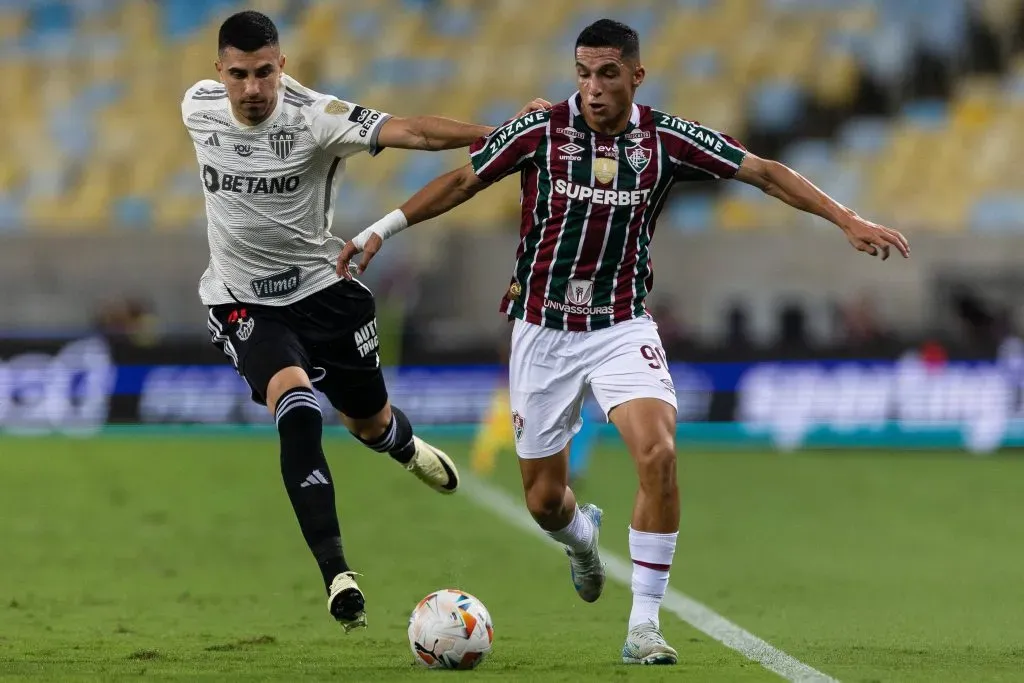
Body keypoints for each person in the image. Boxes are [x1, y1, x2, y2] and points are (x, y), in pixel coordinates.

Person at [339, 18, 909, 663]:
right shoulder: (541, 130)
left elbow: (763, 172)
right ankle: (583, 541)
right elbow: (463, 180)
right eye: (583, 74)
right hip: (541, 330)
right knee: (545, 502)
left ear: (636, 75)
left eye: (608, 74)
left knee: (659, 454)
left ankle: (643, 627)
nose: (593, 88)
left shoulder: (665, 139)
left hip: (620, 326)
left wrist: (846, 218)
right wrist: (382, 229)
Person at [181, 10, 548, 634]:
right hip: (240, 300)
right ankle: (337, 574)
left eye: (264, 73)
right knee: (294, 404)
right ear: (218, 72)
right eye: (238, 74)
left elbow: (413, 132)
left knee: (367, 422)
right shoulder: (197, 107)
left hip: (325, 292)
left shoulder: (315, 118)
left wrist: (504, 132)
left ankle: (400, 444)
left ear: (283, 67)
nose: (251, 89)